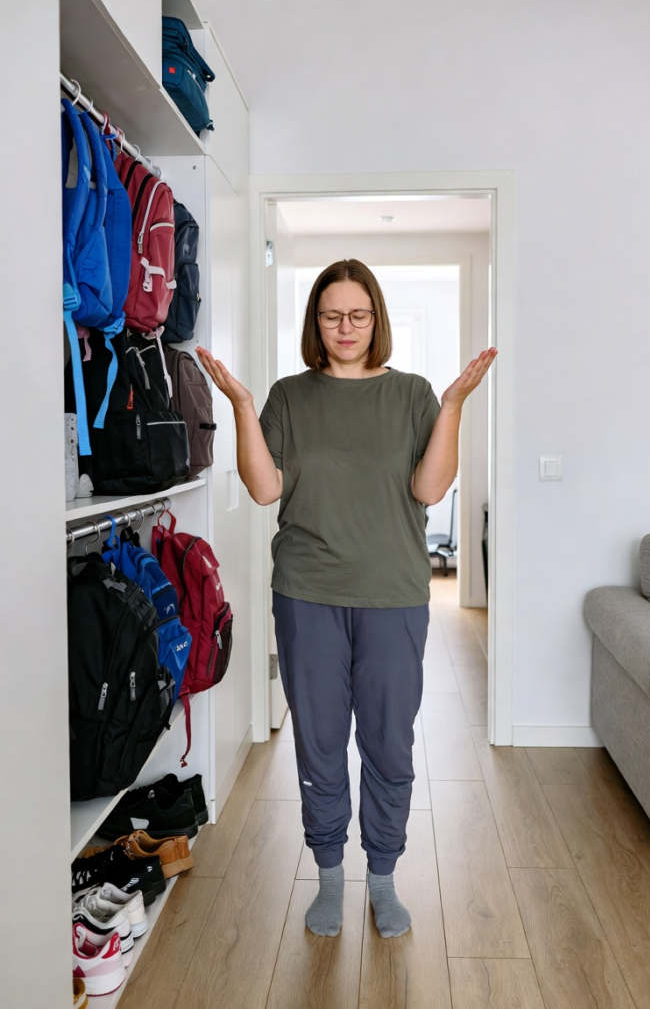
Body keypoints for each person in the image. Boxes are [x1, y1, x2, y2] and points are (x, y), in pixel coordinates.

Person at [196, 259, 496, 940]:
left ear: (376, 319)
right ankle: (329, 874)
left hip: (392, 594)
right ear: (316, 323)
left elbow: (428, 489)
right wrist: (242, 407)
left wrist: (451, 407)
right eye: (332, 315)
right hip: (306, 594)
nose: (345, 327)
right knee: (321, 742)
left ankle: (383, 875)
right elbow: (265, 489)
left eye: (358, 314)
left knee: (388, 743)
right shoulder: (289, 397)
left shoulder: (414, 394)